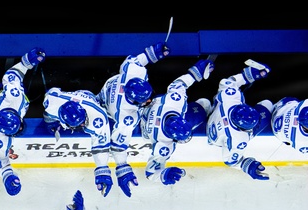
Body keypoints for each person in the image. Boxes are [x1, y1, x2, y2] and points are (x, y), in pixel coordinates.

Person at [96, 41, 170, 197]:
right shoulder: (126, 115)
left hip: (107, 89)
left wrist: (154, 53)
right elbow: (118, 144)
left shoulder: (133, 71)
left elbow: (137, 60)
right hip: (106, 109)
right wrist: (122, 167)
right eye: (145, 101)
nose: (149, 101)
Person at [139, 58, 215, 186]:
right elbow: (150, 173)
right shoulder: (163, 144)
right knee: (203, 106)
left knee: (201, 107)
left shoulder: (173, 102)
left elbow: (178, 85)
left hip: (151, 110)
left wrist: (197, 72)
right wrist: (196, 72)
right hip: (146, 127)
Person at [0, 47, 45, 196]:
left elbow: (12, 74)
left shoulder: (14, 95)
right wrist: (7, 176)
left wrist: (26, 62)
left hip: (2, 93)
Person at [42, 87, 119, 196]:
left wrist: (102, 168)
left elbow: (101, 144)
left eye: (83, 121)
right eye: (80, 124)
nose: (83, 125)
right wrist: (50, 123)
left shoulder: (98, 117)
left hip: (91, 99)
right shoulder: (51, 103)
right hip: (71, 96)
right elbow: (52, 93)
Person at [205, 59, 272, 181]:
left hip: (214, 118)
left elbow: (228, 82)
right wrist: (246, 166)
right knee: (267, 104)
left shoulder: (230, 98)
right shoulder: (239, 139)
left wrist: (251, 74)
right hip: (220, 135)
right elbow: (229, 161)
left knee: (204, 103)